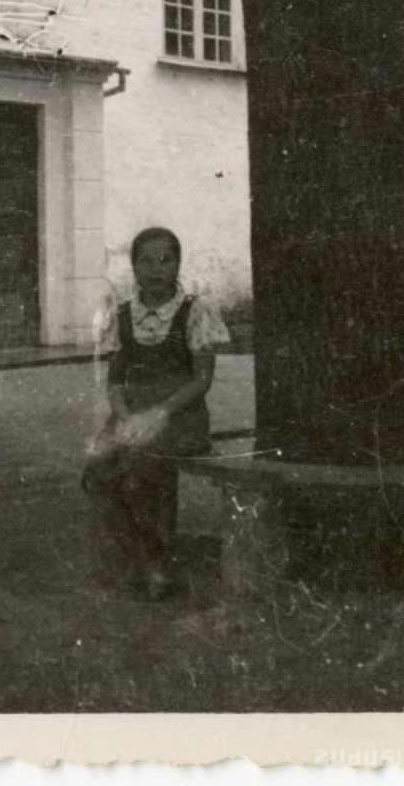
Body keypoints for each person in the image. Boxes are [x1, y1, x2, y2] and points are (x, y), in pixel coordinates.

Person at [82, 227, 229, 600]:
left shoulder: (194, 311)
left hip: (179, 415)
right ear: (133, 266)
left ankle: (158, 561)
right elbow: (116, 380)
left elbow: (202, 380)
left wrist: (158, 413)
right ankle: (146, 558)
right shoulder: (123, 315)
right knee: (97, 472)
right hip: (133, 415)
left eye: (165, 260)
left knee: (141, 468)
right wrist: (124, 415)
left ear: (178, 264)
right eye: (145, 261)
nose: (155, 269)